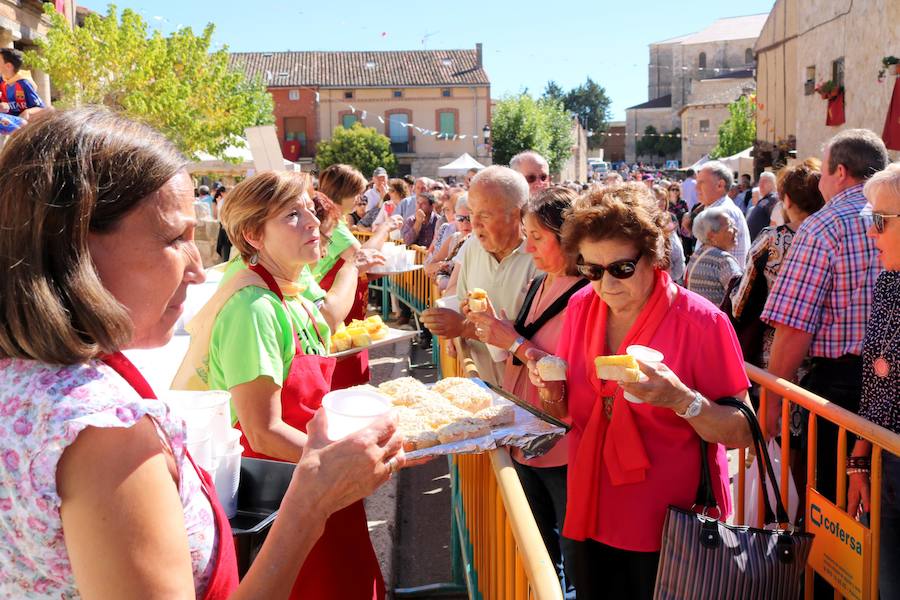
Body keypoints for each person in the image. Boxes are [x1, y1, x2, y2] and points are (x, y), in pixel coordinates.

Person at [0, 107, 403, 598]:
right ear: (73, 248)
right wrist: (312, 500)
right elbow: (262, 426)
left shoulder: (33, 379)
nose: (197, 272)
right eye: (175, 238)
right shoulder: (104, 431)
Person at [524, 182, 752, 599]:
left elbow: (742, 430)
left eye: (621, 269)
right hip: (589, 511)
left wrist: (682, 400)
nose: (606, 284)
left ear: (653, 255)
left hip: (672, 529)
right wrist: (551, 390)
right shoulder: (581, 308)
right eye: (592, 270)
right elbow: (570, 412)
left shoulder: (702, 322)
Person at [200, 170, 389, 599]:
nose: (311, 222)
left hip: (321, 479)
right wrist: (346, 462)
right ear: (253, 235)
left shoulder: (295, 295)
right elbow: (262, 431)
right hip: (290, 495)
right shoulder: (253, 308)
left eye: (308, 209)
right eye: (291, 214)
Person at [467, 186, 586, 597]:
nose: (529, 246)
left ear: (567, 237)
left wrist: (512, 341)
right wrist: (502, 333)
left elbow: (569, 376)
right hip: (528, 438)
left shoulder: (587, 296)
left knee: (570, 558)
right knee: (538, 550)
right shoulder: (540, 283)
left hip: (562, 446)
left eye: (537, 237)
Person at [761, 129, 888, 512]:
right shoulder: (888, 217)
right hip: (887, 387)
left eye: (824, 174)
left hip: (840, 391)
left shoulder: (824, 226)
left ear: (842, 172)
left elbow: (794, 326)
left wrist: (769, 405)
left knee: (834, 517)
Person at [421, 166, 538, 386]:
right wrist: (453, 327)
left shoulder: (541, 257)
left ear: (515, 215)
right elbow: (462, 299)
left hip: (530, 398)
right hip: (483, 387)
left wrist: (463, 328)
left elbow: (543, 336)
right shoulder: (472, 246)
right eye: (471, 213)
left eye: (484, 215)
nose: (474, 224)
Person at [847, 162, 900, 600]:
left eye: (879, 222)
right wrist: (859, 458)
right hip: (885, 461)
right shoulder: (888, 282)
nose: (871, 234)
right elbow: (876, 375)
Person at [731, 160, 825, 369]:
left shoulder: (771, 240)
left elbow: (740, 305)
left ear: (787, 200)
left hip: (775, 355)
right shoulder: (833, 236)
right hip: (823, 357)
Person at [694, 161, 751, 267]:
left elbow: (717, 267)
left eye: (701, 183)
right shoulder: (719, 210)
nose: (696, 188)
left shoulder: (723, 213)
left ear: (720, 185)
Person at [685, 208, 742, 307]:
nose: (736, 230)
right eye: (730, 226)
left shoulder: (697, 255)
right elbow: (741, 300)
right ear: (711, 235)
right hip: (716, 321)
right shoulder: (723, 260)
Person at [0, 48, 44, 121]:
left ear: (8, 66)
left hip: (21, 126)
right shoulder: (2, 80)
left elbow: (40, 108)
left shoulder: (24, 83)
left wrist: (27, 112)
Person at [746, 171, 778, 240]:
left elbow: (775, 223)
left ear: (773, 183)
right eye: (760, 182)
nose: (761, 184)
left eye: (764, 181)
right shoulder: (766, 199)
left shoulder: (774, 199)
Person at [215, 186, 233, 261]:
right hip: (225, 227)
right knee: (226, 248)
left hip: (230, 226)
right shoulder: (222, 202)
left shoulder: (226, 201)